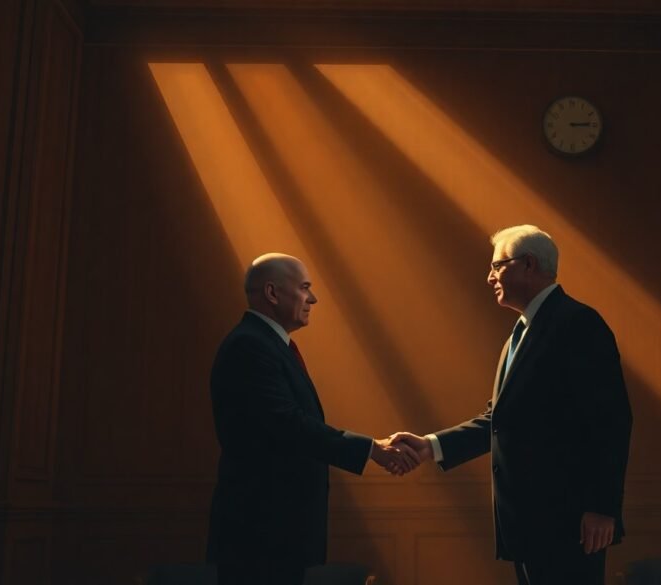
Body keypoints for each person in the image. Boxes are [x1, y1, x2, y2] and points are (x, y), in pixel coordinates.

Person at [392, 225, 633, 585]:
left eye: (497, 266)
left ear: (529, 265)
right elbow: (500, 420)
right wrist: (431, 446)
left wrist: (602, 507)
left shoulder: (579, 324)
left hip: (569, 524)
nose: (490, 277)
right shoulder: (518, 336)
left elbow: (611, 420)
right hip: (528, 525)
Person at [207, 253, 418, 585]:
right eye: (304, 288)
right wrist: (371, 449)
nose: (313, 298)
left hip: (272, 534)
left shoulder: (267, 345)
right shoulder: (249, 347)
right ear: (273, 293)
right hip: (259, 535)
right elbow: (290, 426)